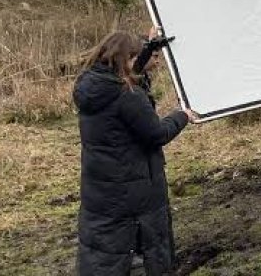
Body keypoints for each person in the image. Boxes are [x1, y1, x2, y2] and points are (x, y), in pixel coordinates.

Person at [73, 31, 198, 276]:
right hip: (132, 190)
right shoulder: (126, 95)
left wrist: (148, 45)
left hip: (101, 190)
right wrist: (182, 116)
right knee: (136, 252)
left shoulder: (91, 86)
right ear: (124, 59)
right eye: (134, 57)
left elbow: (134, 77)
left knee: (104, 251)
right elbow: (157, 133)